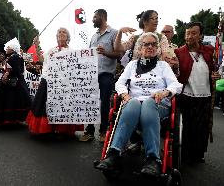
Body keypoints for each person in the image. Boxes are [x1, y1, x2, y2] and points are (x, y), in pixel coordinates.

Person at [95, 32, 182, 176]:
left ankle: (153, 159)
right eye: (146, 44)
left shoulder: (163, 66)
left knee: (148, 103)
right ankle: (114, 154)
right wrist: (124, 94)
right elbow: (120, 83)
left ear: (157, 48)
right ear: (139, 48)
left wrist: (165, 92)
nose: (150, 47)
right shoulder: (131, 65)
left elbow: (176, 85)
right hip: (133, 104)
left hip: (157, 104)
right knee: (134, 102)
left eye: (153, 44)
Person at [175, 22, 220, 163]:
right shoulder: (178, 52)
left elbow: (215, 70)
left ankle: (199, 154)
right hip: (186, 95)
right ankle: (187, 156)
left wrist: (215, 75)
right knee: (188, 127)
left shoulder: (210, 51)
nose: (189, 36)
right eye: (187, 33)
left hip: (205, 95)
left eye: (194, 33)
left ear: (201, 35)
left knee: (202, 128)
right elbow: (176, 74)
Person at [26, 27, 83, 137]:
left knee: (60, 106)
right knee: (45, 105)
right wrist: (37, 46)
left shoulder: (72, 51)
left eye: (64, 32)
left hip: (63, 83)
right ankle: (47, 129)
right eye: (59, 32)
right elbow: (41, 59)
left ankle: (60, 129)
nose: (61, 34)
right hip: (48, 80)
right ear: (56, 36)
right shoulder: (51, 50)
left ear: (68, 37)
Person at [79, 9, 121, 142]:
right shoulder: (93, 36)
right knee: (90, 103)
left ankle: (103, 131)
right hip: (91, 76)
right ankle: (89, 131)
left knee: (104, 104)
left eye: (95, 17)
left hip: (106, 75)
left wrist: (106, 52)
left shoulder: (114, 33)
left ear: (102, 17)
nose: (93, 19)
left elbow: (119, 54)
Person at [0, 38, 31, 125]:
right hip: (16, 82)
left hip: (12, 82)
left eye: (8, 47)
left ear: (13, 48)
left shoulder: (14, 57)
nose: (6, 49)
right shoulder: (15, 57)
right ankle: (15, 119)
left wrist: (7, 73)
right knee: (16, 101)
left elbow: (16, 70)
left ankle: (9, 119)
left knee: (9, 100)